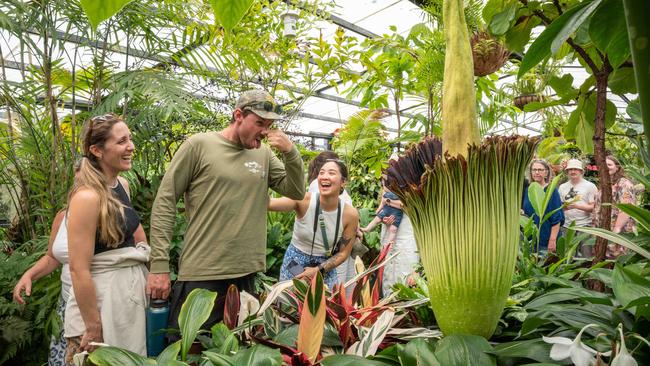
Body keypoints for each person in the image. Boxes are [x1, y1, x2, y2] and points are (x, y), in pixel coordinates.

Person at [147, 89, 305, 340]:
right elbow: (165, 202)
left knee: (237, 350)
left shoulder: (263, 154)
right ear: (238, 115)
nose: (265, 131)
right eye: (260, 123)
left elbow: (295, 191)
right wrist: (159, 266)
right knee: (188, 350)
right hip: (203, 272)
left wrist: (291, 153)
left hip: (246, 274)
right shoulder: (198, 145)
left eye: (270, 125)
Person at [12, 199, 146, 366]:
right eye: (75, 171)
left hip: (101, 305)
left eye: (81, 171)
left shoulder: (113, 211)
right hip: (67, 306)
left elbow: (140, 246)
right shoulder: (62, 217)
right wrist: (29, 275)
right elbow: (52, 256)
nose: (78, 175)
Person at [64, 113, 149, 364]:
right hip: (100, 301)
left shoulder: (122, 184)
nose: (131, 147)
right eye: (122, 141)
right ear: (97, 150)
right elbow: (78, 269)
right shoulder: (87, 198)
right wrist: (92, 326)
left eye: (130, 139)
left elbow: (135, 231)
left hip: (127, 295)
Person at [270, 159, 359, 288]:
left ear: (343, 182)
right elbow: (271, 203)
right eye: (321, 172)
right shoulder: (304, 200)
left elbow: (343, 253)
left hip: (324, 268)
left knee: (324, 307)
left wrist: (317, 270)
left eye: (331, 173)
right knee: (289, 306)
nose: (324, 176)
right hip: (294, 263)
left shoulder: (350, 214)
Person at [593, 155, 637, 258]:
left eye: (609, 164)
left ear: (617, 167)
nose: (606, 167)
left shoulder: (624, 184)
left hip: (618, 230)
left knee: (617, 259)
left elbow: (627, 207)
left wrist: (617, 228)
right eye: (604, 165)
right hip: (604, 229)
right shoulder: (606, 183)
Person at [522, 159, 564, 252]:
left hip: (546, 241)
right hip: (531, 241)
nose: (537, 172)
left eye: (540, 170)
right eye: (534, 170)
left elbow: (557, 218)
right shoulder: (528, 190)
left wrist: (552, 241)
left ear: (546, 172)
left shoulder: (551, 191)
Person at [558, 159, 598, 257]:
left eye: (576, 169)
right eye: (570, 169)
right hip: (567, 226)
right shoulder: (562, 187)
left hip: (585, 226)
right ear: (567, 171)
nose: (573, 171)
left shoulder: (590, 186)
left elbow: (594, 207)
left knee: (586, 256)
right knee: (568, 256)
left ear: (581, 171)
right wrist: (564, 207)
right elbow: (559, 206)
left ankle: (586, 272)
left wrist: (577, 206)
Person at [361, 179, 403, 244]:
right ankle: (367, 228)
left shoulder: (400, 188)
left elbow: (402, 205)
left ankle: (390, 242)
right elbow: (382, 202)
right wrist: (379, 209)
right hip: (386, 210)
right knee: (376, 219)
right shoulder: (385, 189)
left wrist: (388, 201)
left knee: (393, 229)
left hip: (398, 214)